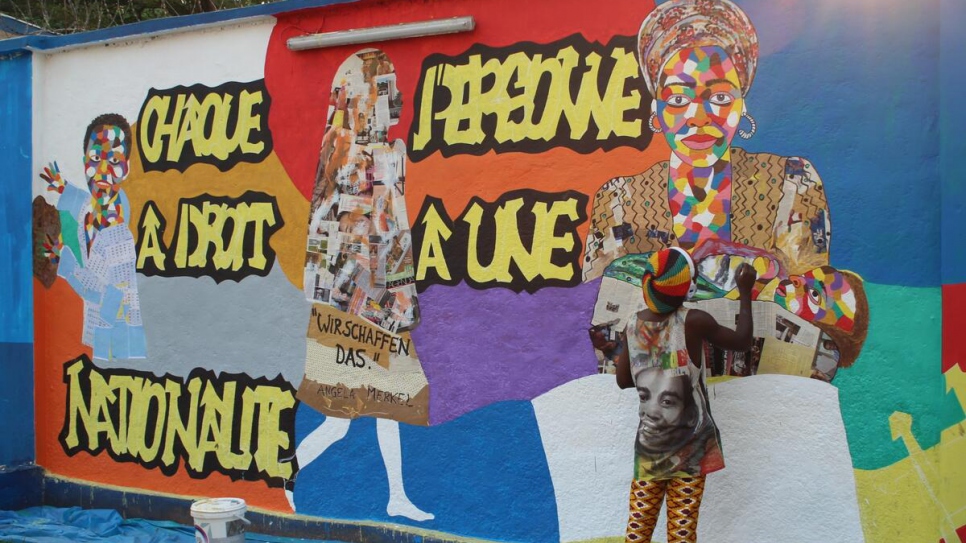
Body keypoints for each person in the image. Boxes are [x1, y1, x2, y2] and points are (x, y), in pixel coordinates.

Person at [583, 0, 867, 374]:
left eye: (719, 97)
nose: (699, 118)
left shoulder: (791, 185)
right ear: (656, 109)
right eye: (679, 99)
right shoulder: (620, 200)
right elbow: (603, 328)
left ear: (741, 104)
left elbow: (814, 321)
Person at [288, 48, 431, 522]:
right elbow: (340, 235)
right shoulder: (347, 150)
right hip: (357, 308)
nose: (399, 101)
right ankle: (288, 475)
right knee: (341, 419)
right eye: (387, 90)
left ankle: (397, 495)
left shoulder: (381, 152)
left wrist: (398, 299)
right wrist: (379, 302)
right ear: (362, 97)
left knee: (389, 405)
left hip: (377, 303)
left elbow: (392, 235)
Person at [611, 247, 755, 543]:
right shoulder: (694, 321)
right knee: (682, 534)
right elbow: (742, 342)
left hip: (649, 451)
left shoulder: (633, 325)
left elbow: (624, 380)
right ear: (687, 288)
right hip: (692, 449)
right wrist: (745, 291)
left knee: (637, 532)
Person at [40, 114, 146, 361]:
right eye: (96, 159)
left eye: (114, 160)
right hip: (95, 339)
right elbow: (83, 202)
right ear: (85, 161)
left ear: (126, 168)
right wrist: (62, 186)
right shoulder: (90, 210)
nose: (103, 171)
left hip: (116, 345)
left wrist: (65, 263)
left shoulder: (120, 239)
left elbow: (108, 297)